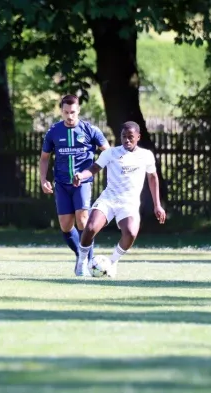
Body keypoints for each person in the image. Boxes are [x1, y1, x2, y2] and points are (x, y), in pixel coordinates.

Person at [72, 121, 166, 277]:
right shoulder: (111, 153)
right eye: (124, 137)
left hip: (129, 202)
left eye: (130, 137)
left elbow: (153, 178)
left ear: (138, 137)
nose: (127, 140)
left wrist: (157, 205)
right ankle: (81, 262)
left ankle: (112, 262)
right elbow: (94, 168)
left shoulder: (146, 155)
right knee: (90, 228)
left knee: (130, 233)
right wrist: (81, 175)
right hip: (109, 198)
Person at [39, 94, 109, 275]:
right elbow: (44, 158)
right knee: (65, 225)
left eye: (73, 112)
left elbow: (107, 153)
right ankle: (81, 255)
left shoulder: (90, 130)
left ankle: (87, 262)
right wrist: (43, 179)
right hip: (61, 183)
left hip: (83, 183)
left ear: (78, 111)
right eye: (66, 112)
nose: (69, 116)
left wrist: (90, 171)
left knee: (83, 219)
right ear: (61, 112)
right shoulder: (53, 131)